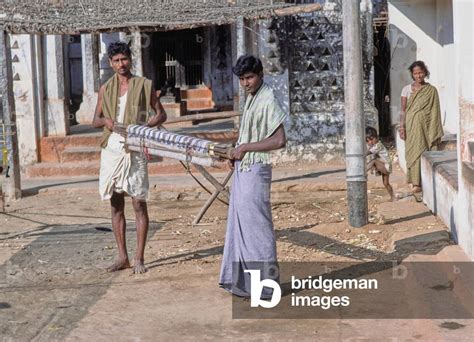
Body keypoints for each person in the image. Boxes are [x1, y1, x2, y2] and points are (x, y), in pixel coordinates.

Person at [92, 42, 167, 274]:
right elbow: (95, 119)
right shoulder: (106, 89)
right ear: (110, 63)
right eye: (116, 61)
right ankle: (122, 256)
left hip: (135, 146)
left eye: (124, 59)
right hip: (112, 148)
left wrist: (143, 127)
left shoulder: (145, 85)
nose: (120, 64)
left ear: (130, 60)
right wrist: (107, 122)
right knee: (116, 204)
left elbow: (160, 114)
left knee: (138, 202)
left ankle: (139, 257)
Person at [219, 55, 287, 298]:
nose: (246, 83)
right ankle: (245, 283)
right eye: (242, 79)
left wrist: (245, 148)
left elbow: (279, 140)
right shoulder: (251, 98)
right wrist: (236, 152)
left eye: (249, 77)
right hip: (244, 169)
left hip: (256, 170)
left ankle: (267, 287)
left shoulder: (268, 98)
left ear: (260, 75)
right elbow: (247, 135)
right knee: (242, 227)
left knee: (258, 229)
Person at [399, 61, 443, 193]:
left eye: (421, 73)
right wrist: (402, 127)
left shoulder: (431, 90)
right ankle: (415, 182)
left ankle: (423, 182)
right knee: (412, 152)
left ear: (425, 73)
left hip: (426, 126)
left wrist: (433, 128)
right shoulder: (406, 89)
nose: (418, 76)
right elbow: (403, 109)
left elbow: (435, 110)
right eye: (415, 73)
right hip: (411, 125)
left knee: (423, 151)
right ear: (412, 75)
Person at [366, 126, 395, 201]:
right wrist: (372, 168)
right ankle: (393, 197)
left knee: (374, 161)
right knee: (386, 183)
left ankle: (363, 171)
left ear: (377, 137)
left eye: (372, 139)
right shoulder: (374, 146)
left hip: (386, 166)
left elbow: (368, 153)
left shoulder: (378, 145)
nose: (370, 142)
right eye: (368, 141)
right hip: (384, 166)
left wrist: (360, 154)